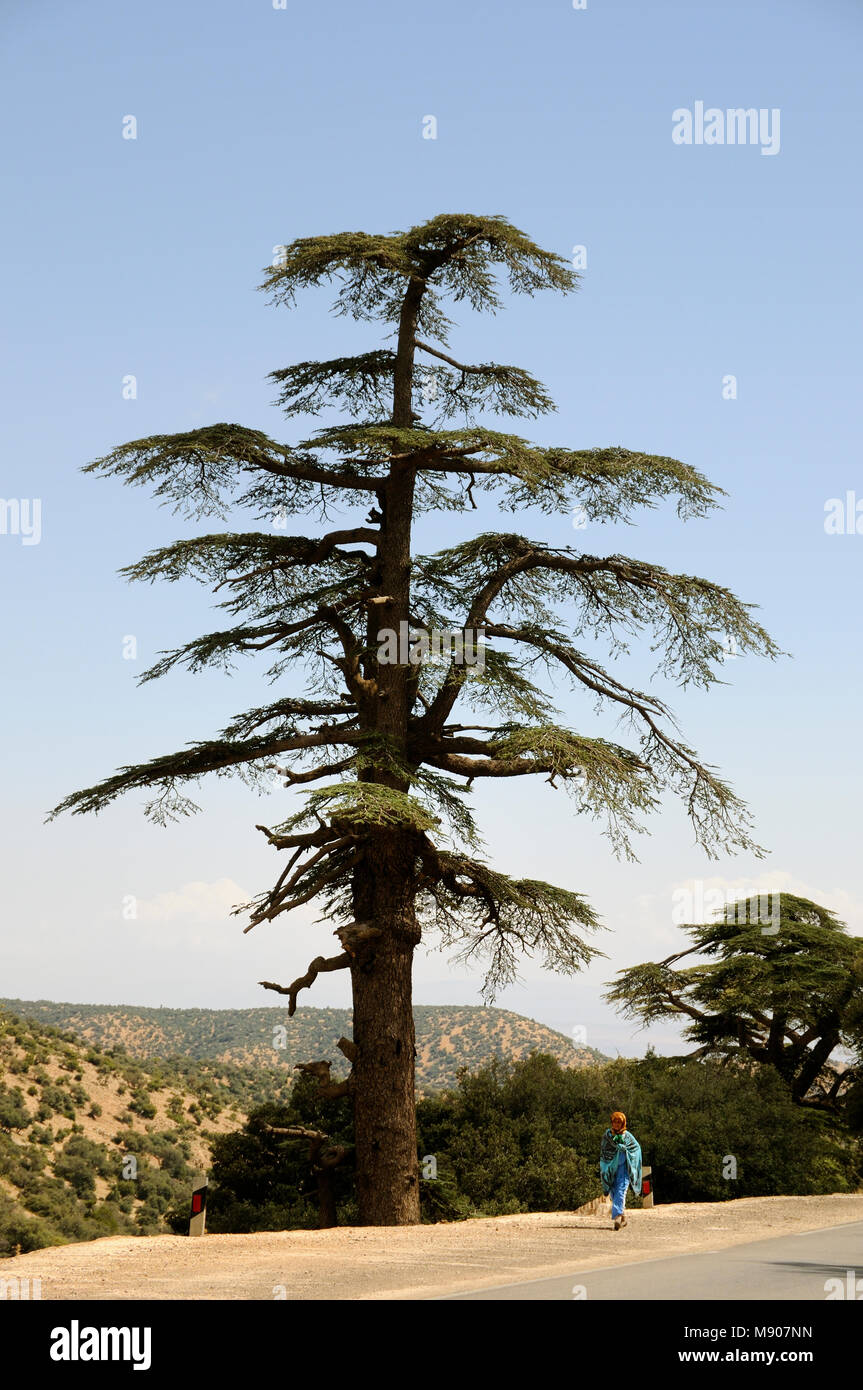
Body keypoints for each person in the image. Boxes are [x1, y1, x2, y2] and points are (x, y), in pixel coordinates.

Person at [600, 1110, 642, 1231]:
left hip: (623, 1169)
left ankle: (617, 1216)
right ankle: (623, 1216)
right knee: (613, 1192)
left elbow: (636, 1149)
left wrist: (625, 1150)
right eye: (615, 1122)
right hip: (610, 1169)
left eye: (619, 1122)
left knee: (621, 1191)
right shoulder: (608, 1135)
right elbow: (604, 1151)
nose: (617, 1124)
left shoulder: (627, 1136)